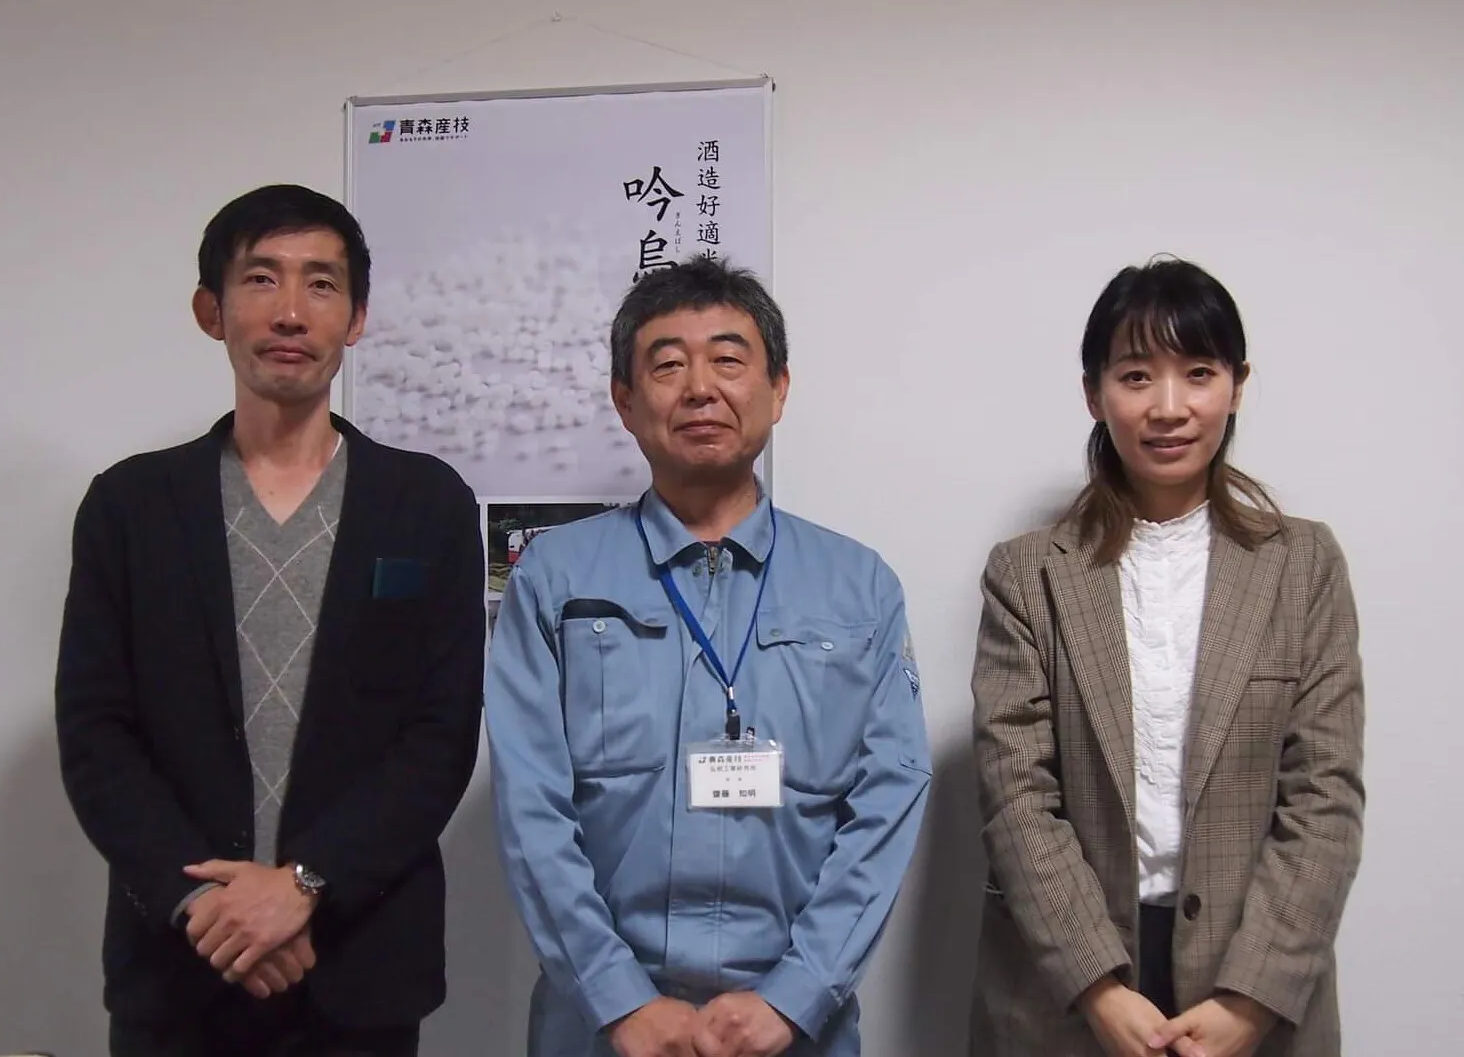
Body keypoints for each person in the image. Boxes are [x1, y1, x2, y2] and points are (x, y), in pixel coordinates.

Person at [54, 184, 486, 1057]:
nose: (291, 311)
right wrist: (205, 905)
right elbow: (97, 734)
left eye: (321, 284)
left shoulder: (427, 504)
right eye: (261, 278)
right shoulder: (130, 506)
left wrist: (304, 885)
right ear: (210, 311)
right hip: (180, 966)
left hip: (358, 967)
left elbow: (439, 737)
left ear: (356, 318)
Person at [485, 257, 932, 1057]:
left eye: (729, 360)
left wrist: (795, 996)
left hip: (797, 1026)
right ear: (625, 399)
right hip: (599, 1025)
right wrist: (619, 1000)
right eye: (667, 365)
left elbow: (887, 802)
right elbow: (530, 808)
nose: (699, 388)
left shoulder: (859, 585)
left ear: (778, 389)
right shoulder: (556, 578)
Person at [968, 257, 1365, 1057]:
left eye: (1199, 373)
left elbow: (1325, 796)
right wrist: (1098, 988)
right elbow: (1017, 797)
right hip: (1066, 990)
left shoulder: (1304, 565)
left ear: (1237, 386)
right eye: (1136, 376)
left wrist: (1251, 999)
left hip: (1251, 982)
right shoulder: (1027, 573)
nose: (1169, 407)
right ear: (1094, 393)